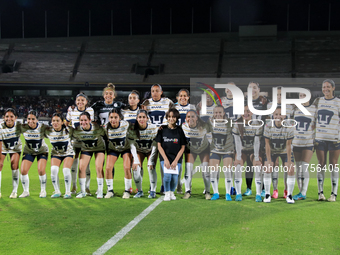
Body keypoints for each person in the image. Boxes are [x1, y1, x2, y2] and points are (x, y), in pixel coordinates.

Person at [142, 84, 174, 193]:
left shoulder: (168, 102)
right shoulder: (146, 103)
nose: (155, 93)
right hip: (150, 136)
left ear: (161, 92)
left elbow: (173, 116)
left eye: (157, 91)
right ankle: (152, 185)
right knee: (152, 162)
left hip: (164, 136)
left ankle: (164, 185)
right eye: (153, 91)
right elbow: (142, 118)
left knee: (163, 162)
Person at [313, 79, 340, 202]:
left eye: (328, 87)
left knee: (333, 165)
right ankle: (320, 193)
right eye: (324, 87)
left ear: (333, 88)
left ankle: (334, 194)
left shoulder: (338, 102)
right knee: (321, 164)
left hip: (334, 138)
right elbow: (313, 119)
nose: (326, 89)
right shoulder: (318, 101)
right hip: (320, 139)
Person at [263, 107, 295, 203]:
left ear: (285, 116)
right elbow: (267, 144)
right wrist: (269, 160)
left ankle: (289, 195)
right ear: (273, 115)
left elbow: (288, 145)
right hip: (272, 151)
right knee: (267, 168)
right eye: (276, 114)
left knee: (290, 169)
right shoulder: (268, 126)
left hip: (285, 151)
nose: (278, 116)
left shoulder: (289, 126)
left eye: (280, 114)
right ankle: (267, 194)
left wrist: (289, 161)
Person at [70, 112, 106, 199]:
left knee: (98, 167)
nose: (83, 122)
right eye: (81, 120)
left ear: (90, 120)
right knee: (81, 168)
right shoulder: (77, 130)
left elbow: (106, 137)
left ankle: (100, 191)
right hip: (86, 149)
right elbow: (71, 138)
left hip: (99, 148)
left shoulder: (98, 128)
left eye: (85, 120)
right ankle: (83, 192)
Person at [267, 87, 294, 199]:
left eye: (281, 95)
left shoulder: (290, 107)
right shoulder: (269, 106)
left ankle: (286, 190)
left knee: (287, 166)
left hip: (286, 138)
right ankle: (275, 189)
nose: (279, 97)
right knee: (275, 165)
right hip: (274, 139)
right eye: (277, 95)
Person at [232, 105, 263, 202]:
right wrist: (238, 157)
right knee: (238, 166)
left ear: (252, 113)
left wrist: (257, 158)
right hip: (242, 150)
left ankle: (258, 194)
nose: (246, 113)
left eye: (248, 111)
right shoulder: (237, 124)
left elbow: (257, 142)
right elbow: (237, 142)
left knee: (258, 167)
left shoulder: (257, 124)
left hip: (254, 150)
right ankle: (238, 193)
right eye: (244, 111)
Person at [65, 93, 94, 195]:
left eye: (82, 100)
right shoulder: (71, 110)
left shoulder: (90, 110)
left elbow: (92, 125)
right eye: (78, 100)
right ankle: (74, 186)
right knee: (74, 165)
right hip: (74, 142)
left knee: (86, 166)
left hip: (86, 142)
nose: (80, 102)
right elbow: (67, 123)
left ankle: (87, 187)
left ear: (86, 102)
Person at [156, 108, 186, 201]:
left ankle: (172, 192)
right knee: (167, 176)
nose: (171, 119)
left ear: (177, 118)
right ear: (167, 118)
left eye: (173, 117)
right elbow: (159, 146)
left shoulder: (180, 130)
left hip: (176, 158)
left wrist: (176, 160)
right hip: (165, 157)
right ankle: (167, 192)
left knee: (174, 177)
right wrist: (165, 159)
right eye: (169, 117)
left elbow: (183, 147)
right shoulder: (162, 129)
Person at [292, 92, 317, 200]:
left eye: (304, 95)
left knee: (304, 166)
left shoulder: (314, 109)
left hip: (308, 142)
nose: (302, 98)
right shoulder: (295, 109)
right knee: (298, 168)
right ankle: (301, 191)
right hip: (296, 142)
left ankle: (304, 192)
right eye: (300, 96)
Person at [246, 82, 269, 197]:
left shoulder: (265, 102)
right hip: (248, 135)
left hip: (262, 136)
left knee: (262, 162)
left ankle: (264, 189)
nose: (252, 90)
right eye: (250, 88)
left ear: (259, 89)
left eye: (254, 87)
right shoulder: (244, 102)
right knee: (249, 163)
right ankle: (248, 188)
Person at [181, 110, 211, 199]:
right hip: (191, 150)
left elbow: (213, 131)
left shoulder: (204, 126)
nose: (190, 119)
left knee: (206, 170)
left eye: (193, 116)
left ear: (197, 118)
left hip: (204, 149)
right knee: (188, 169)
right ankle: (187, 191)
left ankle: (207, 191)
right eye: (188, 117)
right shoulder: (183, 126)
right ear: (186, 118)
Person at [19, 110, 49, 198]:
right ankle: (25, 191)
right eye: (28, 119)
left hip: (42, 151)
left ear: (37, 120)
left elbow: (52, 134)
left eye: (33, 119)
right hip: (29, 151)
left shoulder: (43, 127)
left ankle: (43, 190)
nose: (30, 121)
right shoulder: (23, 127)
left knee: (41, 170)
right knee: (23, 171)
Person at [129, 110, 158, 198]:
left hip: (150, 150)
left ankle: (153, 191)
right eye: (139, 117)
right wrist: (136, 159)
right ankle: (140, 191)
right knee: (136, 168)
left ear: (147, 118)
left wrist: (151, 159)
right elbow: (132, 145)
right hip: (139, 150)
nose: (142, 119)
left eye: (143, 117)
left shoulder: (153, 127)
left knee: (151, 167)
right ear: (137, 118)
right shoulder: (133, 130)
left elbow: (155, 145)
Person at [45, 113, 74, 198]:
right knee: (53, 170)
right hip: (56, 153)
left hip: (68, 153)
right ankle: (57, 191)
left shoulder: (69, 130)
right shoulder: (48, 131)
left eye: (58, 121)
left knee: (65, 170)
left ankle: (68, 192)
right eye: (53, 121)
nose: (55, 123)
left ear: (62, 122)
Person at [208, 105, 234, 201]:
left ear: (224, 113)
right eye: (216, 112)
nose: (218, 114)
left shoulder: (230, 123)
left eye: (220, 112)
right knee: (213, 172)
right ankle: (216, 193)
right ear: (213, 113)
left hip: (227, 150)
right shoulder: (210, 122)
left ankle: (228, 193)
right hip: (215, 149)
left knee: (227, 171)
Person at [105, 109, 132, 199]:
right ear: (108, 118)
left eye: (115, 117)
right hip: (113, 149)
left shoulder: (125, 124)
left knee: (127, 167)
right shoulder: (106, 127)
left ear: (120, 118)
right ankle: (110, 190)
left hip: (125, 148)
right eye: (111, 117)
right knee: (108, 167)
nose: (113, 119)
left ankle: (127, 190)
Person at [174, 89, 196, 194]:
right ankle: (178, 186)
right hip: (177, 139)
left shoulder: (193, 108)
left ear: (188, 97)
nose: (183, 97)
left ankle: (188, 186)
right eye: (181, 96)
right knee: (178, 164)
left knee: (188, 164)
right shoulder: (174, 108)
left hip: (189, 139)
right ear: (177, 97)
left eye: (185, 96)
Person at [0, 108, 22, 198]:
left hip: (16, 147)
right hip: (4, 146)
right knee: (0, 165)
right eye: (7, 116)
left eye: (11, 116)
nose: (9, 118)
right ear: (3, 117)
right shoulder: (0, 127)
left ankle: (14, 191)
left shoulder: (19, 126)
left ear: (15, 117)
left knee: (14, 164)